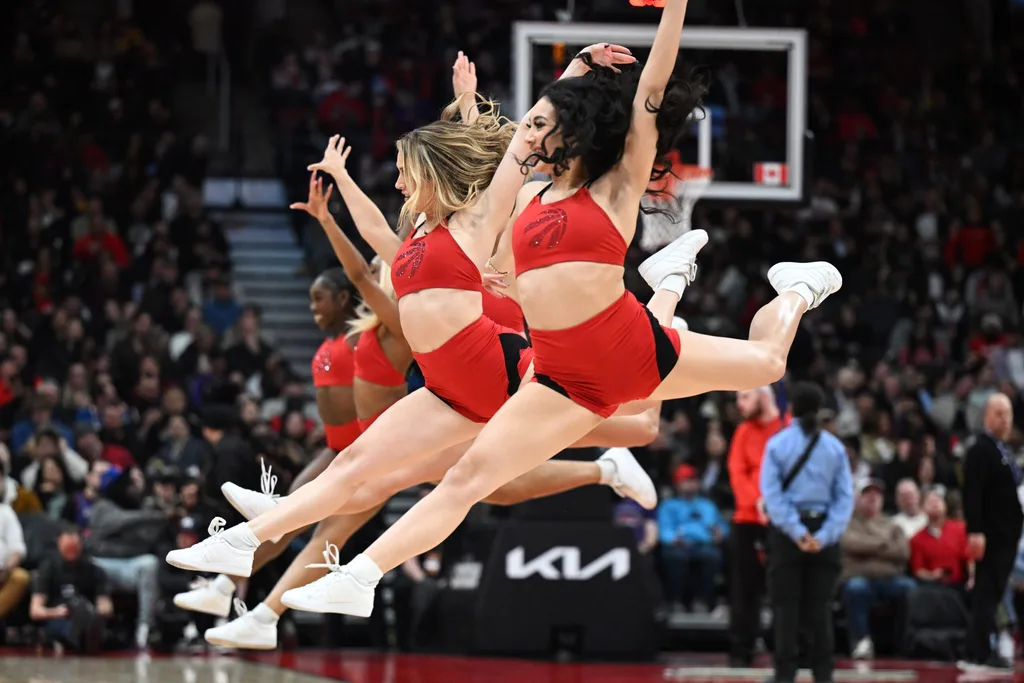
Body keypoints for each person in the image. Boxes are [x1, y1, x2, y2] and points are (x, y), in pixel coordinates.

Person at [262, 0, 842, 616]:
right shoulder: (530, 194)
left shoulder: (618, 186)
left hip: (631, 348)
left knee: (769, 364)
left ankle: (795, 290)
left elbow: (651, 87)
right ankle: (362, 576)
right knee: (470, 481)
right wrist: (488, 102)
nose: (533, 133)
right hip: (561, 379)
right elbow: (490, 157)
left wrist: (673, 10)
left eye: (547, 127)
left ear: (576, 132)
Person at [164, 43, 671, 586]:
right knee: (359, 463)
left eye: (407, 173)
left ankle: (667, 296)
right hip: (445, 386)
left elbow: (524, 137)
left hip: (496, 367)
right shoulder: (418, 232)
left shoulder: (476, 223)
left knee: (636, 421)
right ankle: (243, 543)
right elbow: (378, 236)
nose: (400, 183)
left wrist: (576, 69)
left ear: (432, 174)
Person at [760, 381, 853, 683]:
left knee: (786, 607)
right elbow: (844, 499)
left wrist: (797, 532)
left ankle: (784, 674)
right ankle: (823, 674)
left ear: (792, 410)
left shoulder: (777, 444)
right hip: (824, 531)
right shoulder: (835, 448)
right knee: (820, 608)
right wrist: (823, 535)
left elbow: (772, 496)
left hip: (788, 534)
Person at [959, 392, 1023, 672]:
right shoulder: (980, 450)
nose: (1005, 419)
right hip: (991, 535)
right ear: (986, 416)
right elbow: (972, 493)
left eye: (1008, 413)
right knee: (986, 591)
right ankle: (976, 652)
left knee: (994, 593)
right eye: (998, 413)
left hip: (1007, 535)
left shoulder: (1003, 450)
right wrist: (975, 531)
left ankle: (983, 647)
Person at [727, 386, 786, 666]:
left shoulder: (788, 428)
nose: (739, 404)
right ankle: (741, 650)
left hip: (783, 521)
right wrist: (759, 501)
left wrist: (773, 503)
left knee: (785, 589)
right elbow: (737, 474)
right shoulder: (743, 432)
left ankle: (785, 649)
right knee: (744, 589)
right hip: (748, 520)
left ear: (764, 396)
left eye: (744, 396)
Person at [839, 479, 915, 660]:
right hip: (859, 577)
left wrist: (868, 547)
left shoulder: (892, 524)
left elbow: (903, 552)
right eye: (867, 494)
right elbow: (850, 544)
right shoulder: (847, 523)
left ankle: (905, 641)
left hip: (890, 579)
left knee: (910, 588)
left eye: (877, 494)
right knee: (855, 588)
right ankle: (861, 641)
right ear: (858, 498)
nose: (873, 497)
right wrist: (884, 544)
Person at [657, 463, 727, 612]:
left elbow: (721, 527)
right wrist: (674, 539)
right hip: (678, 545)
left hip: (704, 545)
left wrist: (720, 533)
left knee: (713, 557)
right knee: (676, 558)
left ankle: (702, 601)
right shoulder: (669, 505)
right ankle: (675, 601)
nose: (690, 484)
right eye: (686, 481)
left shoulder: (707, 505)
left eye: (693, 480)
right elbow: (664, 530)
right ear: (677, 484)